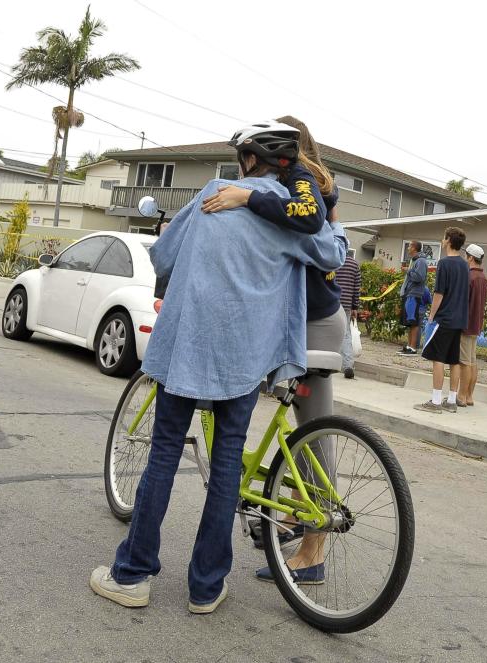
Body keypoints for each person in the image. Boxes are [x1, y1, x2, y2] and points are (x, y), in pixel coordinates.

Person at [89, 121, 347, 614]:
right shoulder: (292, 216)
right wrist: (331, 213)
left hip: (188, 344)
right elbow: (332, 252)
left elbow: (163, 255)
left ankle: (132, 575)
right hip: (245, 356)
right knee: (229, 457)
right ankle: (206, 587)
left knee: (164, 450)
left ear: (249, 158)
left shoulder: (214, 194)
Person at [200, 115, 344, 585]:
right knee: (289, 429)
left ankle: (314, 549)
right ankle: (286, 513)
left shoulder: (305, 189)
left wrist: (246, 196)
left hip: (314, 321)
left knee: (313, 433)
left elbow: (327, 247)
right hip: (285, 318)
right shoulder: (287, 184)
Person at [414, 227, 469, 414]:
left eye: (444, 237)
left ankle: (436, 401)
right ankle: (452, 400)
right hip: (459, 319)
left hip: (444, 318)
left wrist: (431, 316)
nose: (442, 239)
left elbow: (439, 293)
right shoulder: (464, 265)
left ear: (448, 240)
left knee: (437, 357)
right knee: (454, 360)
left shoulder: (444, 263)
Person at [458, 244, 487, 406]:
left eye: (466, 255)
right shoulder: (483, 278)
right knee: (472, 361)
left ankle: (461, 396)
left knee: (464, 363)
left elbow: (463, 302)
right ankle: (469, 396)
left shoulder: (469, 277)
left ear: (470, 257)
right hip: (476, 325)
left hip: (466, 324)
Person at [398, 241, 429, 355]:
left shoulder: (421, 261)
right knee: (410, 322)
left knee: (414, 322)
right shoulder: (414, 260)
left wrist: (408, 271)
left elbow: (419, 277)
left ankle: (413, 348)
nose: (408, 248)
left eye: (410, 246)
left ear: (415, 248)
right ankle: (409, 346)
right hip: (409, 294)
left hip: (414, 294)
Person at [336, 251, 361, 378]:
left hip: (331, 302)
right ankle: (348, 366)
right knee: (346, 334)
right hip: (346, 304)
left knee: (328, 332)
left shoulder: (332, 260)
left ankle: (329, 363)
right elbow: (357, 288)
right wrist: (355, 307)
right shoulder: (354, 264)